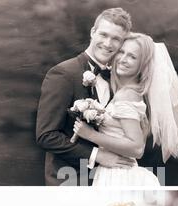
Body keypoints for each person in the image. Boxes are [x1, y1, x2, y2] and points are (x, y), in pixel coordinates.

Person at [73, 33, 178, 186]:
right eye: (121, 52)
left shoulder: (127, 95)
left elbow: (136, 148)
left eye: (132, 57)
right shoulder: (133, 92)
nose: (123, 59)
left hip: (119, 174)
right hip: (114, 169)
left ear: (142, 64)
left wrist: (90, 134)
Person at [36, 8, 135, 186]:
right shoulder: (63, 74)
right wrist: (97, 156)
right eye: (104, 34)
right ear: (93, 32)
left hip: (111, 179)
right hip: (71, 180)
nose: (108, 43)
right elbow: (46, 136)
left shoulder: (119, 79)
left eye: (116, 39)